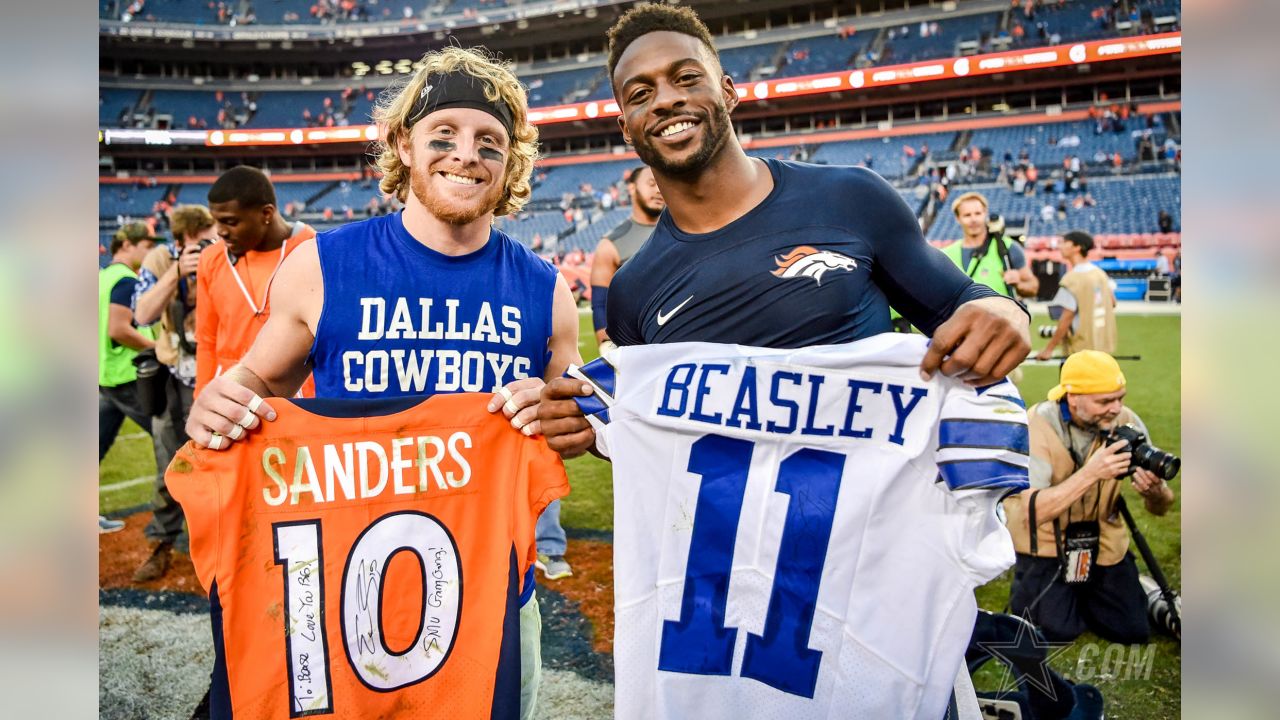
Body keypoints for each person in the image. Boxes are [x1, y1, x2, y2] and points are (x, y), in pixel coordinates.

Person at [184, 46, 580, 720]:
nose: (467, 155)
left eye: (490, 142)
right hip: (338, 590)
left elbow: (572, 418)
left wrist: (563, 420)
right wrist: (220, 399)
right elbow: (258, 379)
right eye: (444, 135)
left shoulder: (548, 292)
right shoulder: (322, 265)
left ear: (511, 161)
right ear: (403, 142)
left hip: (494, 604)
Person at [539, 3, 1029, 460]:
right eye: (641, 94)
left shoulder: (851, 197)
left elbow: (959, 301)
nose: (667, 100)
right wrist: (594, 432)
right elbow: (645, 429)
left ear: (727, 91)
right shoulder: (634, 289)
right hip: (733, 550)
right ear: (626, 127)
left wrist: (1004, 310)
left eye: (686, 78)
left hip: (873, 543)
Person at [1003, 351, 1174, 643]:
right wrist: (1091, 473)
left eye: (1120, 397)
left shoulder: (1126, 421)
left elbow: (1161, 508)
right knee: (1056, 631)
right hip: (1047, 543)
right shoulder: (1036, 425)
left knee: (1131, 630)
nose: (1116, 408)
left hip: (1103, 540)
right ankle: (1075, 592)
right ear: (1073, 397)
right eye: (1105, 401)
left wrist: (1156, 493)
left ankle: (1133, 587)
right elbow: (1030, 515)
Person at [128, 205, 218, 580]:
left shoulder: (227, 254)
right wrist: (178, 273)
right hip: (174, 374)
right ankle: (162, 544)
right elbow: (142, 314)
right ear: (180, 242)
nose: (210, 247)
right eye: (200, 243)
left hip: (217, 373)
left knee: (222, 465)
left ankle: (223, 547)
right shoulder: (160, 259)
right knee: (169, 461)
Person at [195, 165, 317, 397]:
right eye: (216, 222)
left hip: (298, 394)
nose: (220, 231)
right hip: (229, 394)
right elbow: (206, 337)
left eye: (230, 222)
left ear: (266, 213)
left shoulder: (315, 251)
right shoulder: (211, 258)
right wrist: (202, 394)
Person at [98, 222, 158, 533]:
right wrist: (158, 347)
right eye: (146, 246)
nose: (150, 253)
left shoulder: (102, 277)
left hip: (105, 376)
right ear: (127, 245)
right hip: (129, 376)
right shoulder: (125, 280)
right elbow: (119, 329)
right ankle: (173, 521)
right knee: (173, 444)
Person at [590, 165, 665, 348]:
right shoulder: (611, 244)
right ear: (631, 188)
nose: (658, 190)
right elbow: (600, 303)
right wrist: (607, 347)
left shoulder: (687, 230)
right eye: (651, 183)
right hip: (637, 348)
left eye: (662, 184)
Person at [1036, 230, 1117, 360]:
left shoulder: (1071, 280)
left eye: (1064, 242)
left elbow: (1066, 319)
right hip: (1102, 347)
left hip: (1080, 351)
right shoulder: (1100, 274)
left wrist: (1048, 349)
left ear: (1077, 247)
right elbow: (1112, 302)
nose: (1060, 246)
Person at [945, 191, 1038, 299]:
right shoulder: (947, 254)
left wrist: (1018, 284)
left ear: (985, 213)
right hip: (962, 315)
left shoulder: (1007, 247)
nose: (973, 219)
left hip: (1000, 315)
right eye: (967, 215)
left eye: (978, 213)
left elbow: (1033, 287)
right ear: (958, 218)